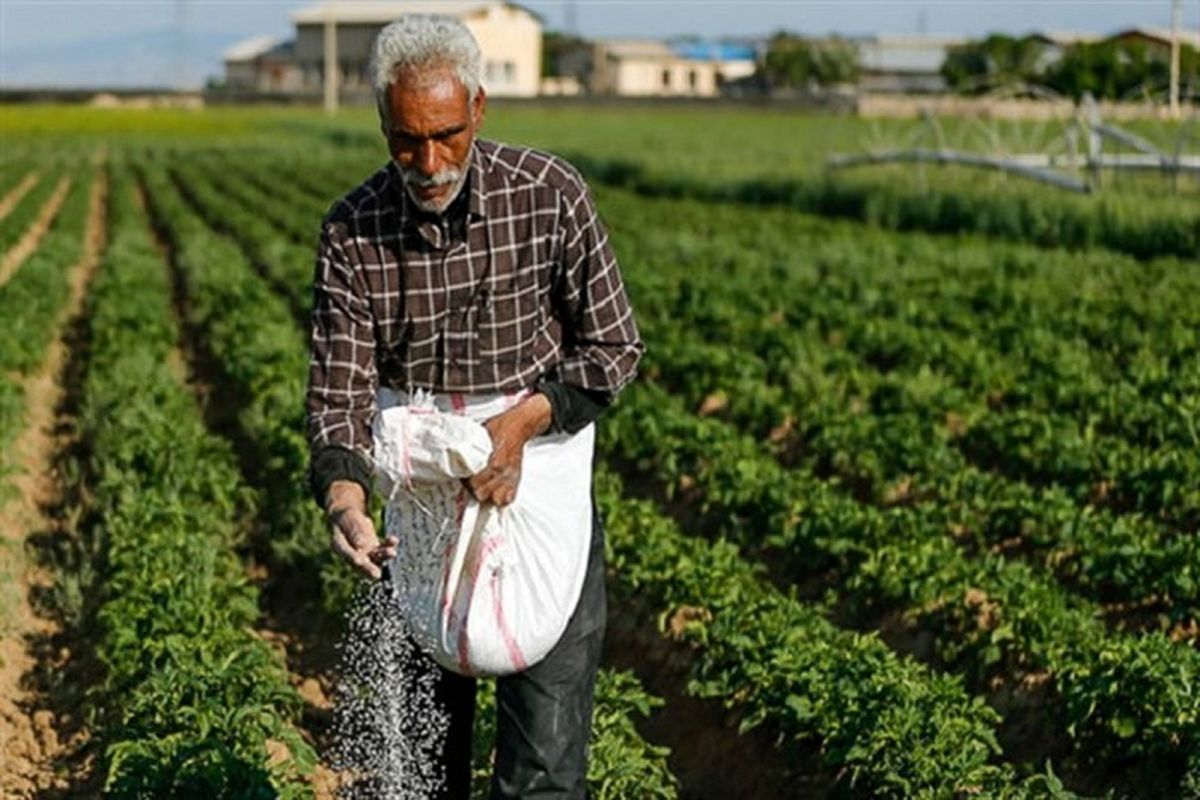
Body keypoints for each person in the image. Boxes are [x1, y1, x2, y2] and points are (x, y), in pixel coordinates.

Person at [305, 14, 643, 799]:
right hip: (422, 516)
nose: (429, 162)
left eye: (448, 135)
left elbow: (615, 351)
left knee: (545, 775)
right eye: (405, 141)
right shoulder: (354, 232)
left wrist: (522, 425)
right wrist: (347, 504)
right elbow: (339, 393)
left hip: (537, 499)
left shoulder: (549, 196)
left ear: (479, 110)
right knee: (419, 772)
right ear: (383, 124)